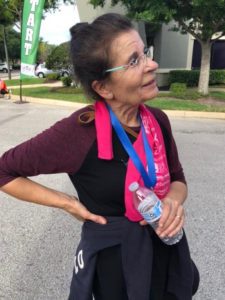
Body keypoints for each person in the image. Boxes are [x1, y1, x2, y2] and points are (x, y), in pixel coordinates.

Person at [0, 13, 199, 300]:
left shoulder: (157, 121)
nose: (152, 65)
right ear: (103, 88)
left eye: (145, 53)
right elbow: (5, 171)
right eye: (134, 61)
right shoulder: (78, 132)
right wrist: (66, 202)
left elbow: (177, 178)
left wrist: (172, 202)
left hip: (167, 252)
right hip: (116, 270)